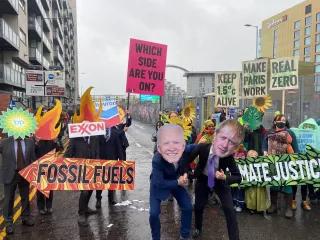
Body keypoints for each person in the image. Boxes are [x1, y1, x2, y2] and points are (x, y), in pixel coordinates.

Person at [188, 119, 245, 240]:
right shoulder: (202, 148)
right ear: (214, 138)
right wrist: (188, 173)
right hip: (203, 180)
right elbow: (187, 159)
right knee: (198, 206)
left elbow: (238, 177)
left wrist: (225, 177)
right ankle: (198, 228)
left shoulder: (227, 155)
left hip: (220, 182)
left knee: (230, 210)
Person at [149, 124, 192, 240]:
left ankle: (185, 235)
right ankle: (156, 237)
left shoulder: (185, 151)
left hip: (176, 181)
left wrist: (185, 175)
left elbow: (197, 149)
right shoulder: (157, 160)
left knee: (187, 207)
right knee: (154, 214)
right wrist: (178, 182)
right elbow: (159, 183)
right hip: (159, 184)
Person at [263, 114, 298, 219]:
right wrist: (265, 153)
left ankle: (288, 208)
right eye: (279, 120)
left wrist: (295, 159)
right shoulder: (269, 133)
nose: (282, 122)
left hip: (286, 163)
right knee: (274, 184)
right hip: (273, 162)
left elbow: (295, 147)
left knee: (287, 184)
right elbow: (264, 144)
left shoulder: (290, 133)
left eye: (284, 120)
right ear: (275, 122)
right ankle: (273, 205)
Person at [0, 136, 36, 234]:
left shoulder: (30, 142)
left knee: (25, 197)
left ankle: (25, 217)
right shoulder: (3, 142)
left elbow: (33, 158)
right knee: (8, 199)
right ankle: (8, 222)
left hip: (25, 173)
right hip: (10, 174)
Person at [64, 135, 100, 226]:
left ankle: (85, 208)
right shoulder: (75, 139)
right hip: (79, 170)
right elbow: (68, 154)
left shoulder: (94, 138)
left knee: (90, 189)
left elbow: (97, 152)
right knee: (84, 191)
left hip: (92, 169)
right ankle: (81, 215)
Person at [96, 127, 125, 207]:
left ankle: (111, 198)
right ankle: (98, 199)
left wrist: (121, 160)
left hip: (112, 159)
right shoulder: (98, 133)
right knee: (100, 181)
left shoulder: (115, 133)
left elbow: (119, 147)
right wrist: (97, 158)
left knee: (111, 180)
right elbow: (96, 147)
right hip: (101, 161)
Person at [35, 139, 62, 215]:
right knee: (40, 189)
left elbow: (58, 149)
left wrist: (56, 141)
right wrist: (35, 143)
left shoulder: (51, 141)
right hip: (40, 167)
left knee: (49, 188)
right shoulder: (38, 142)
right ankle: (41, 208)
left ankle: (49, 206)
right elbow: (33, 152)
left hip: (50, 167)